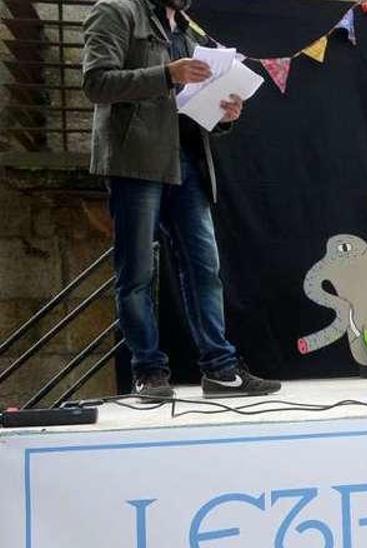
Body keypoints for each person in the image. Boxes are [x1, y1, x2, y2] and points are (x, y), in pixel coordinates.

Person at [83, 0, 278, 399]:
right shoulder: (116, 11)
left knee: (206, 271)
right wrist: (165, 74)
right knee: (137, 274)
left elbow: (188, 107)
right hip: (136, 161)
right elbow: (97, 83)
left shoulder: (187, 33)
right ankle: (148, 371)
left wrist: (223, 114)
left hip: (188, 162)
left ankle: (220, 370)